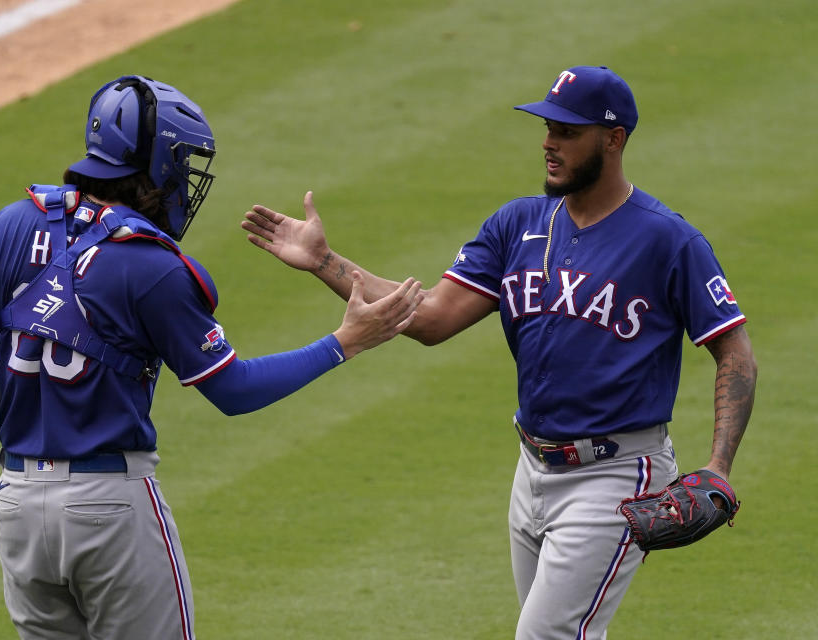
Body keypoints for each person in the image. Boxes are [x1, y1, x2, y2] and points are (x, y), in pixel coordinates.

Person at [241, 65, 757, 639]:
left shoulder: (668, 241)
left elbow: (734, 352)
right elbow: (431, 318)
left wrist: (718, 467)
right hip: (532, 471)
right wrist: (325, 262)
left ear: (613, 139)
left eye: (566, 131)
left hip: (614, 475)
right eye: (546, 127)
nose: (548, 142)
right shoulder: (518, 224)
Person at [0, 74, 422, 640]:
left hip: (16, 506)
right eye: (183, 162)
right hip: (108, 511)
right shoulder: (151, 265)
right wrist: (344, 342)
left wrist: (2, 413)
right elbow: (233, 390)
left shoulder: (13, 224)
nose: (187, 179)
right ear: (157, 165)